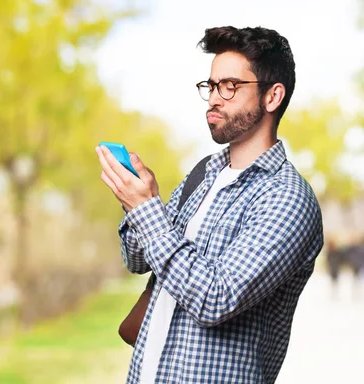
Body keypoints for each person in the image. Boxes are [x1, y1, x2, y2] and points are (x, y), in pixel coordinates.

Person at [95, 26, 324, 384]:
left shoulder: (287, 198)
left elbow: (215, 298)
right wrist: (138, 201)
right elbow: (137, 260)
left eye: (230, 86)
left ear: (273, 96)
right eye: (212, 86)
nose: (215, 98)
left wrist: (146, 211)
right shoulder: (203, 174)